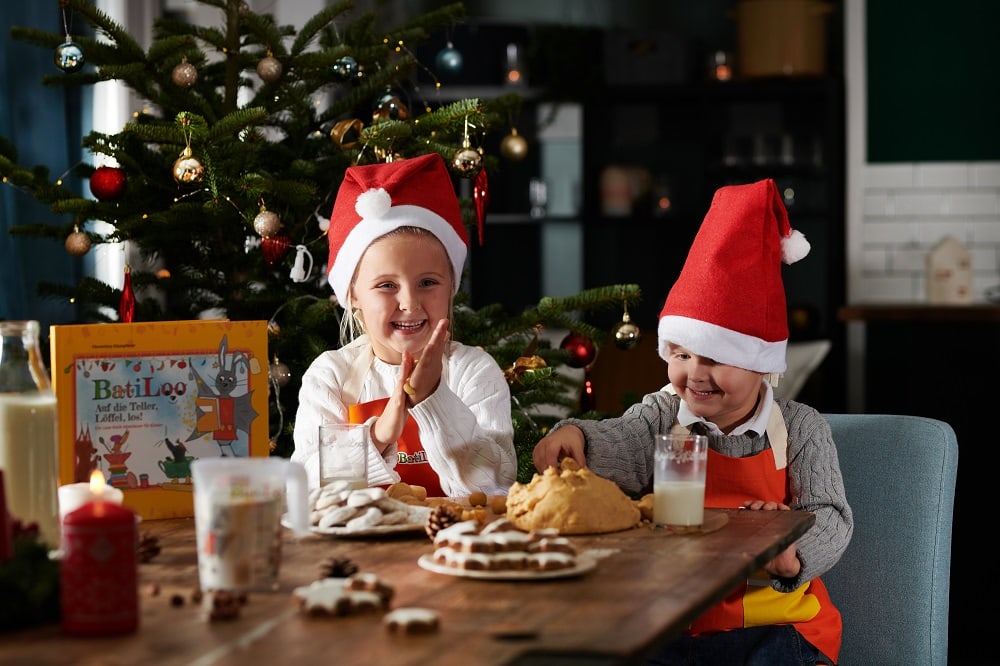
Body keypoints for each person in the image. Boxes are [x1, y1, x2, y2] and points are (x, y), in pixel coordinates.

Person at [532, 179, 854, 666]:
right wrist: (576, 435)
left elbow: (830, 514)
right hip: (673, 624)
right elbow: (619, 439)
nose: (694, 373)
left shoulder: (800, 430)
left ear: (761, 363)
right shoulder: (663, 418)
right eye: (681, 354)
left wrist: (791, 551)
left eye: (717, 358)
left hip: (774, 624)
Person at [293, 153, 517, 497]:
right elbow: (308, 489)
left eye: (427, 282)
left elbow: (494, 486)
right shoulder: (330, 377)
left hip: (454, 548)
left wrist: (433, 398)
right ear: (353, 295)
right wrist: (380, 435)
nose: (410, 303)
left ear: (451, 287)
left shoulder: (473, 372)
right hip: (359, 550)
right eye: (386, 285)